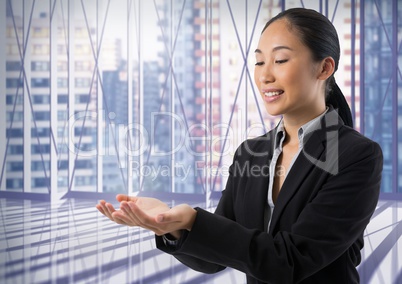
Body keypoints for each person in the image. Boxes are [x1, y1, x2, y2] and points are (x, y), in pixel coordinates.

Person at [96, 8, 383, 283]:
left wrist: (195, 220)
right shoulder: (251, 152)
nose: (264, 75)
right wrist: (171, 224)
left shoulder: (356, 155)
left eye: (280, 60)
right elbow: (214, 258)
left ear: (324, 67)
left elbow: (290, 261)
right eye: (259, 62)